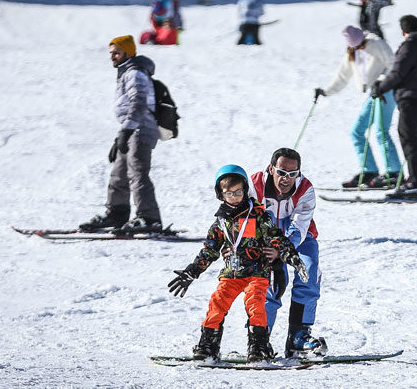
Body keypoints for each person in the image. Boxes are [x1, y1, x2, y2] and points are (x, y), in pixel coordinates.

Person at [167, 165, 308, 363]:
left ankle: (258, 347)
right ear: (221, 194)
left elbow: (277, 238)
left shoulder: (259, 216)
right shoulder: (221, 222)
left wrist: (291, 256)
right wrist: (193, 271)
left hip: (256, 273)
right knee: (217, 303)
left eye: (239, 192)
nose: (235, 197)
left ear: (245, 190)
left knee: (256, 305)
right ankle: (208, 346)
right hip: (231, 274)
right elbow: (209, 250)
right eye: (229, 193)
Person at [246, 148, 327, 358]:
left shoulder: (305, 188)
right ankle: (260, 338)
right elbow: (247, 220)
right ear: (271, 168)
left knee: (308, 271)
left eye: (292, 174)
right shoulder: (255, 185)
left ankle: (298, 336)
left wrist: (281, 249)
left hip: (298, 237)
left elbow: (300, 226)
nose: (286, 179)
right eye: (281, 172)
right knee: (269, 280)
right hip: (265, 236)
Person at [79, 35, 163, 232]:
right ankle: (117, 213)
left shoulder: (135, 73)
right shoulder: (126, 73)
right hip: (132, 128)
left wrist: (127, 130)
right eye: (111, 53)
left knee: (137, 173)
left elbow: (139, 103)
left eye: (116, 52)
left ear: (128, 52)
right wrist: (121, 135)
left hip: (141, 129)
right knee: (119, 174)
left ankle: (150, 219)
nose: (113, 57)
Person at [314, 26, 402, 188]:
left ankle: (394, 172)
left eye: (361, 45)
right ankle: (369, 171)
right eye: (355, 47)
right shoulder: (352, 53)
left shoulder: (376, 44)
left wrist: (381, 81)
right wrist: (326, 92)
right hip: (373, 93)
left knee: (381, 131)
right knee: (357, 131)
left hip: (386, 91)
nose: (359, 48)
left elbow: (393, 65)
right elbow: (342, 76)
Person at [371, 15, 417, 198]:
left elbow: (397, 73)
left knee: (409, 139)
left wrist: (380, 88)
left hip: (410, 99)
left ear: (403, 31)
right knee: (414, 139)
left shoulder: (409, 46)